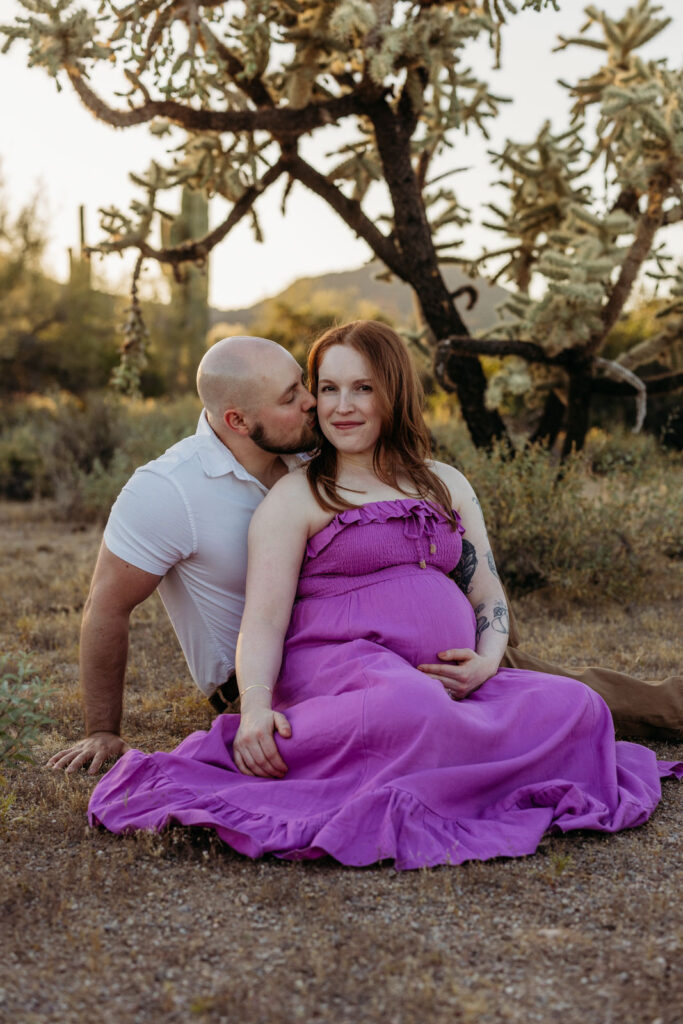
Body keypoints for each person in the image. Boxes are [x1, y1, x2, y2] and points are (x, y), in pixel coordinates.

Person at [88, 321, 681, 870]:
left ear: (392, 392)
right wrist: (255, 706)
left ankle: (487, 739)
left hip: (450, 667)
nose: (333, 406)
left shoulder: (444, 480)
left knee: (580, 706)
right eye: (325, 388)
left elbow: (486, 588)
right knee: (410, 707)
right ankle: (451, 767)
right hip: (347, 669)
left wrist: (488, 655)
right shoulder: (289, 493)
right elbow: (262, 621)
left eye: (360, 387)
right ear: (241, 418)